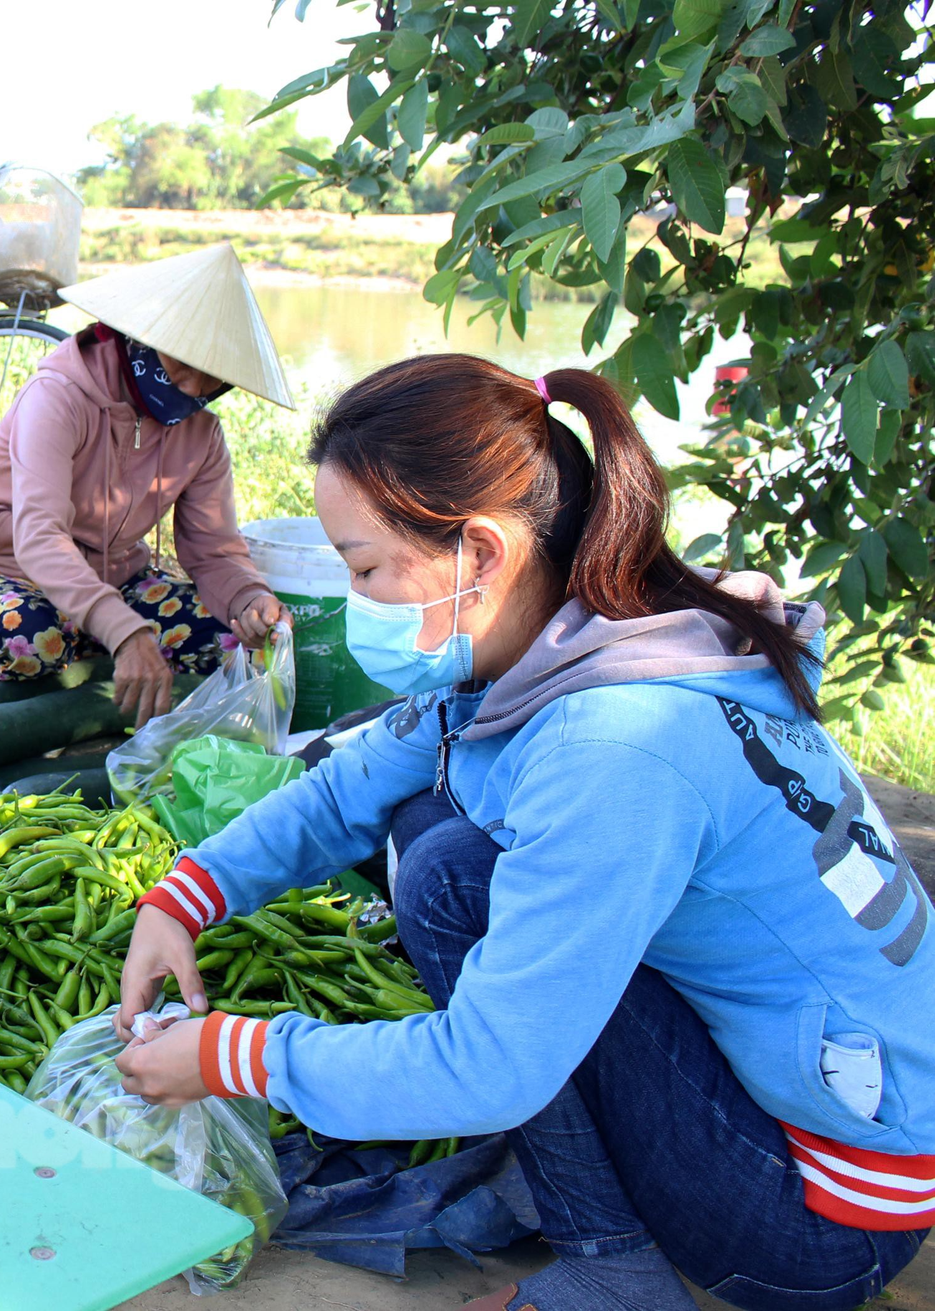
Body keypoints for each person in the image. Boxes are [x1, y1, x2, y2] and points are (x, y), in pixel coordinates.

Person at [113, 354, 932, 1310]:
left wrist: (231, 1053)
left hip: (816, 1216)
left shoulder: (621, 743)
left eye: (368, 568)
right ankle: (598, 1180)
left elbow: (489, 1065)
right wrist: (184, 896)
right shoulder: (592, 631)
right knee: (441, 843)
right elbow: (351, 787)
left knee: (455, 880)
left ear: (485, 553)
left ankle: (616, 1268)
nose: (354, 601)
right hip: (815, 1110)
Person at [0, 242, 290, 725]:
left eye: (212, 378)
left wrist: (251, 600)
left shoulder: (203, 436)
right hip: (7, 572)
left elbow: (214, 551)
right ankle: (99, 663)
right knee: (37, 643)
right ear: (137, 336)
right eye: (180, 361)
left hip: (116, 582)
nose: (191, 387)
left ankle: (96, 667)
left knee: (226, 639)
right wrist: (126, 633)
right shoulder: (57, 398)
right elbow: (39, 537)